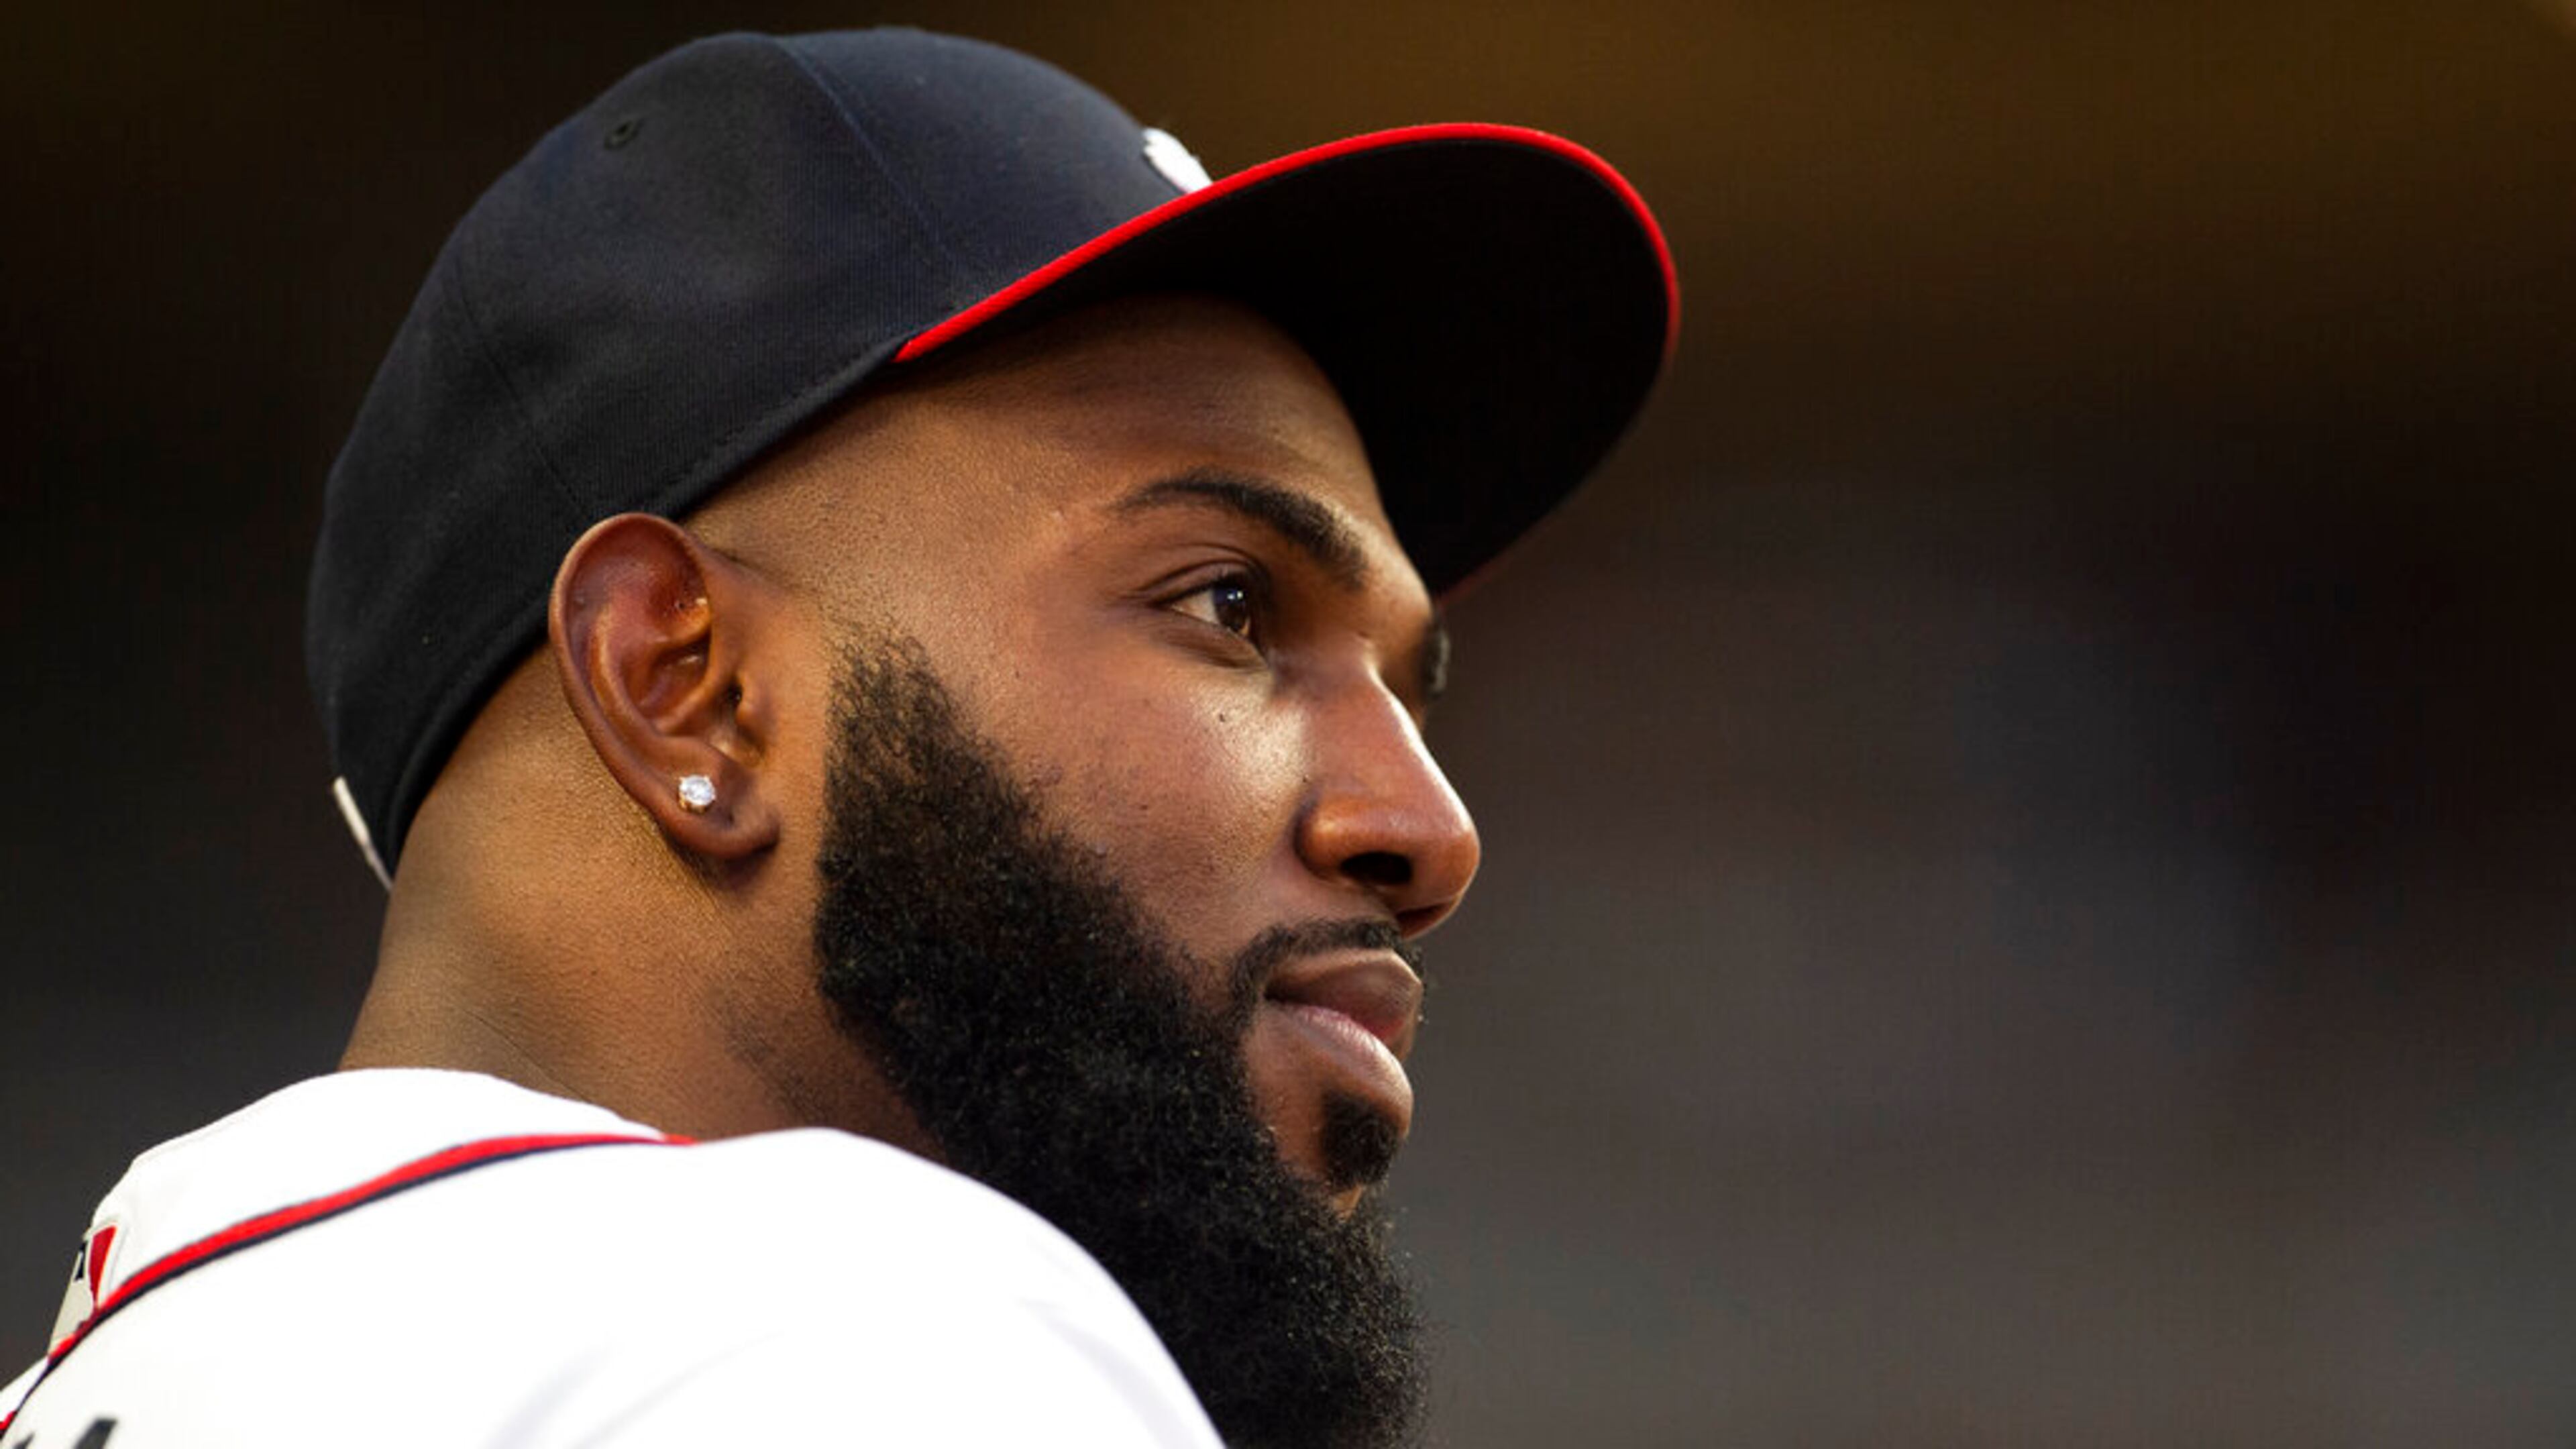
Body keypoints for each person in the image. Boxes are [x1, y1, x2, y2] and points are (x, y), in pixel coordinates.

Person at [1, 27, 1672, 1449]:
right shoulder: (870, 1332)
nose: (1429, 829)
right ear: (685, 684)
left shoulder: (131, 1374)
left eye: (1408, 684)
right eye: (1230, 607)